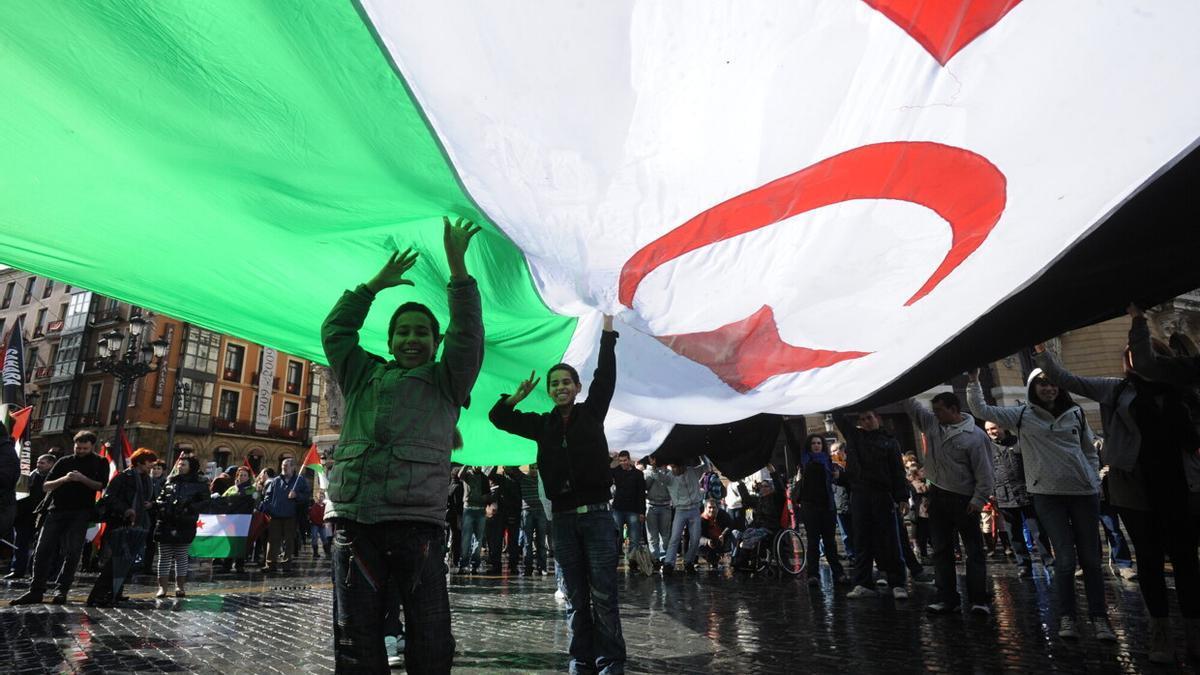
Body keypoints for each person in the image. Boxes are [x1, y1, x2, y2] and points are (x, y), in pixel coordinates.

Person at [322, 217, 482, 673]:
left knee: (430, 637)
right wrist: (372, 286)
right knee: (355, 637)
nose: (412, 338)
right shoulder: (361, 374)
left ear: (435, 343)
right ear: (390, 341)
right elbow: (336, 332)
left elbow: (469, 333)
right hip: (356, 524)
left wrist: (457, 265)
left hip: (418, 527)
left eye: (422, 333)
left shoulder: (447, 381)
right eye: (403, 332)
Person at [1035, 314, 1200, 660]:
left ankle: (1193, 631)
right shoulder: (1116, 389)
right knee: (1150, 562)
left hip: (1181, 484)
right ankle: (1161, 635)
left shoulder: (1183, 390)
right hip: (1135, 488)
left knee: (1187, 562)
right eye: (1128, 356)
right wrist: (1041, 352)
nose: (1132, 362)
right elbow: (1068, 378)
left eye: (1138, 355)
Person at [490, 315, 626, 675]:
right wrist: (516, 396)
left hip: (597, 516)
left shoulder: (592, 413)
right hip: (563, 522)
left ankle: (610, 663)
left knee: (604, 596)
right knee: (576, 600)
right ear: (548, 391)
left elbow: (606, 377)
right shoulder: (541, 424)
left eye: (566, 382)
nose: (560, 387)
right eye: (554, 384)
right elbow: (498, 418)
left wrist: (608, 335)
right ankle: (580, 662)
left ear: (577, 387)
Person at [967, 367, 1115, 641]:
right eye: (1043, 384)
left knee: (1092, 560)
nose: (1049, 389)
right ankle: (1068, 617)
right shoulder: (1022, 415)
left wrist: (1093, 477)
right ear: (1033, 388)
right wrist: (974, 380)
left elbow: (1087, 449)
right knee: (1066, 560)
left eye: (1053, 384)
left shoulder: (1075, 413)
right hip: (1047, 495)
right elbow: (981, 409)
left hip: (1083, 493)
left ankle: (1099, 618)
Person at [903, 393, 994, 615]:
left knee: (973, 551)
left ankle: (978, 599)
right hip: (937, 497)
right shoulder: (933, 424)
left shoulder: (975, 436)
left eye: (940, 411)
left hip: (964, 499)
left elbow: (985, 472)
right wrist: (905, 383)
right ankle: (947, 598)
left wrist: (978, 499)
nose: (935, 415)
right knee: (941, 550)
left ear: (953, 409)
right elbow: (911, 405)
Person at [11, 430, 109, 606]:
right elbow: (46, 486)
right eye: (78, 447)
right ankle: (36, 590)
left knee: (72, 553)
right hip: (56, 510)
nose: (80, 451)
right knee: (42, 550)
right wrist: (64, 479)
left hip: (81, 512)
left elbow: (100, 486)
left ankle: (61, 590)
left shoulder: (100, 462)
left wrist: (82, 479)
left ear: (92, 447)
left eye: (84, 448)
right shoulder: (64, 461)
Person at [833, 410, 909, 601]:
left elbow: (898, 472)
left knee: (890, 540)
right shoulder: (855, 437)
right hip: (860, 495)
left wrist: (902, 497)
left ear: (878, 419)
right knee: (861, 540)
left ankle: (898, 583)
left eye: (869, 417)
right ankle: (863, 583)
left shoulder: (890, 442)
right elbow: (838, 416)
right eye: (862, 418)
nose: (866, 421)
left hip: (883, 494)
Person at [87, 448, 156, 607]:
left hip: (138, 523)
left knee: (127, 561)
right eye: (149, 462)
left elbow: (150, 499)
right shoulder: (124, 477)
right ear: (139, 462)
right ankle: (99, 594)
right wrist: (125, 509)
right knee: (114, 561)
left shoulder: (147, 479)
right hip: (119, 523)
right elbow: (110, 498)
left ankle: (116, 592)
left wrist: (150, 504)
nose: (151, 466)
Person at [985, 421, 1052, 578]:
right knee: (1013, 535)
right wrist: (990, 492)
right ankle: (1023, 565)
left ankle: (1048, 562)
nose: (991, 432)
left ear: (1002, 427)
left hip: (1026, 494)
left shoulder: (1019, 442)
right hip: (1003, 497)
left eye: (993, 428)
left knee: (1038, 532)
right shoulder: (987, 448)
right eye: (988, 430)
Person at [793, 434, 847, 586]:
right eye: (813, 443)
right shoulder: (805, 460)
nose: (816, 445)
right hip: (810, 506)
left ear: (823, 445)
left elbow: (840, 479)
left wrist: (838, 475)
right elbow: (794, 442)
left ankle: (838, 573)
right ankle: (813, 575)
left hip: (827, 506)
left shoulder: (830, 462)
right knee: (813, 542)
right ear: (809, 446)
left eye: (818, 443)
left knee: (830, 542)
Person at [152, 455, 208, 598]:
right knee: (164, 556)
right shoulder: (170, 481)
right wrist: (161, 506)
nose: (180, 467)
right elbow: (161, 498)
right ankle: (162, 588)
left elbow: (205, 502)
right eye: (179, 464)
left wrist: (189, 508)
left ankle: (180, 586)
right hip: (166, 522)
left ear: (191, 467)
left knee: (181, 556)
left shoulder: (200, 483)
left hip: (185, 523)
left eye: (183, 464)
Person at [656, 456, 709, 575]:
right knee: (674, 538)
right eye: (672, 467)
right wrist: (654, 467)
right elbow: (659, 477)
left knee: (695, 539)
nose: (673, 469)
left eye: (674, 467)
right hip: (680, 510)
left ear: (682, 466)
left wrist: (703, 455)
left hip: (694, 509)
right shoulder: (669, 476)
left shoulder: (692, 471)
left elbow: (706, 467)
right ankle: (669, 563)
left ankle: (689, 561)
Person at [7, 453, 52, 580]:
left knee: (40, 545)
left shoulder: (52, 478)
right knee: (20, 543)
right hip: (24, 515)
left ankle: (36, 572)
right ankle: (17, 569)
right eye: (38, 462)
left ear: (50, 464)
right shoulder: (29, 477)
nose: (38, 465)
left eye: (42, 463)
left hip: (42, 516)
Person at [610, 450, 646, 570]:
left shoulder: (638, 474)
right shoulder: (616, 471)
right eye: (620, 461)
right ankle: (613, 563)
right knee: (616, 537)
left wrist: (642, 512)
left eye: (625, 460)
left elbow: (641, 494)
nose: (623, 463)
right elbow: (606, 472)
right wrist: (611, 459)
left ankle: (633, 562)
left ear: (629, 460)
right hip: (618, 509)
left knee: (634, 538)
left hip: (633, 509)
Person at [219, 466, 257, 572]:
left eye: (245, 475)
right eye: (241, 475)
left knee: (241, 542)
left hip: (244, 519)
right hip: (231, 519)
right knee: (230, 542)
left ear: (248, 477)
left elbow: (255, 502)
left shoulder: (252, 489)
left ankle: (239, 565)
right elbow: (223, 500)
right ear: (237, 476)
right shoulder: (231, 489)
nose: (243, 477)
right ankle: (227, 564)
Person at [488, 465, 523, 574]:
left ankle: (513, 566)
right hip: (501, 513)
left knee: (513, 541)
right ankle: (496, 565)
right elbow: (490, 475)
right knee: (497, 540)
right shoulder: (501, 478)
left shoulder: (518, 478)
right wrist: (496, 463)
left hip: (514, 512)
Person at [457, 464, 489, 574]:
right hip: (468, 508)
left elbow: (487, 494)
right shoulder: (467, 474)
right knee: (466, 539)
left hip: (480, 510)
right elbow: (459, 475)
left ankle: (475, 564)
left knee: (479, 539)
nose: (479, 465)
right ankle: (463, 564)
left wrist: (485, 500)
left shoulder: (484, 477)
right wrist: (467, 463)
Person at [641, 456, 673, 568]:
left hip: (665, 506)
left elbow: (669, 483)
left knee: (665, 535)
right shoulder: (646, 472)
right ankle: (655, 559)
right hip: (651, 505)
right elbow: (645, 487)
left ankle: (664, 558)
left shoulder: (669, 472)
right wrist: (652, 472)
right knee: (652, 536)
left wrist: (658, 472)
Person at [519, 463, 549, 576]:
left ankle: (542, 567)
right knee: (527, 542)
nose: (535, 470)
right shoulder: (523, 477)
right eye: (533, 468)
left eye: (537, 468)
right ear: (529, 468)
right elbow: (513, 468)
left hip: (540, 511)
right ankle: (528, 567)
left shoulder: (542, 479)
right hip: (527, 511)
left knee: (541, 541)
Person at [698, 499, 734, 571]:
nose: (712, 510)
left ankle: (734, 559)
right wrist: (707, 541)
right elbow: (698, 536)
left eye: (714, 508)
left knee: (735, 533)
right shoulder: (701, 519)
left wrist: (723, 534)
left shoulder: (723, 514)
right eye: (710, 507)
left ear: (717, 508)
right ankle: (695, 560)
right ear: (705, 508)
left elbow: (730, 525)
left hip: (720, 539)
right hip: (706, 542)